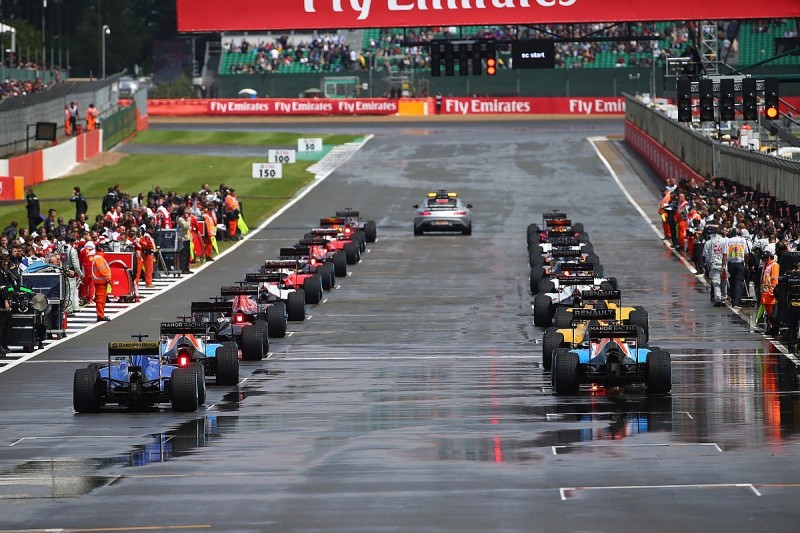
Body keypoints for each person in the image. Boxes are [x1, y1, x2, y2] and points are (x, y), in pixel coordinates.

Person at [703, 226, 728, 307]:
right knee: (724, 282)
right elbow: (727, 253)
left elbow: (706, 255)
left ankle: (718, 299)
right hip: (724, 264)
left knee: (716, 282)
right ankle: (723, 299)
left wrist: (708, 265)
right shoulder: (725, 241)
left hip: (714, 264)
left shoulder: (708, 242)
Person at [59, 235, 83, 315]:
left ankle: (76, 307)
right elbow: (76, 265)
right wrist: (81, 274)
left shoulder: (61, 248)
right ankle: (68, 310)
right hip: (70, 272)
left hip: (62, 270)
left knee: (71, 290)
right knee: (70, 291)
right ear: (72, 242)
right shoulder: (72, 250)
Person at [726, 227, 748, 309]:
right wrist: (746, 263)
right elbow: (746, 254)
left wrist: (724, 264)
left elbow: (725, 253)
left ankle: (733, 300)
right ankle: (736, 302)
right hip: (740, 262)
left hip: (731, 263)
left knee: (731, 282)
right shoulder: (743, 240)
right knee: (738, 282)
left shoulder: (728, 240)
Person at [760, 250, 780, 335]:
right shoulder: (766, 265)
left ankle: (774, 328)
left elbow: (775, 279)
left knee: (772, 313)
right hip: (765, 292)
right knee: (768, 312)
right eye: (764, 258)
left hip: (771, 293)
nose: (765, 259)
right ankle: (771, 326)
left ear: (770, 257)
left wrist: (773, 291)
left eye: (766, 258)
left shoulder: (774, 265)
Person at [90, 246, 111, 322]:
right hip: (100, 281)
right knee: (100, 299)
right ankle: (100, 315)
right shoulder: (99, 258)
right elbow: (102, 270)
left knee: (101, 299)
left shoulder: (98, 258)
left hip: (101, 281)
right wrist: (108, 278)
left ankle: (101, 314)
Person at [0, 254, 13, 356]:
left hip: (8, 299)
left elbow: (11, 287)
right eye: (4, 261)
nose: (6, 263)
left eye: (7, 261)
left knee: (6, 326)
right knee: (1, 326)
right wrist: (5, 300)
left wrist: (26, 290)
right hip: (2, 302)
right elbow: (2, 288)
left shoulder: (6, 272)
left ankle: (4, 345)